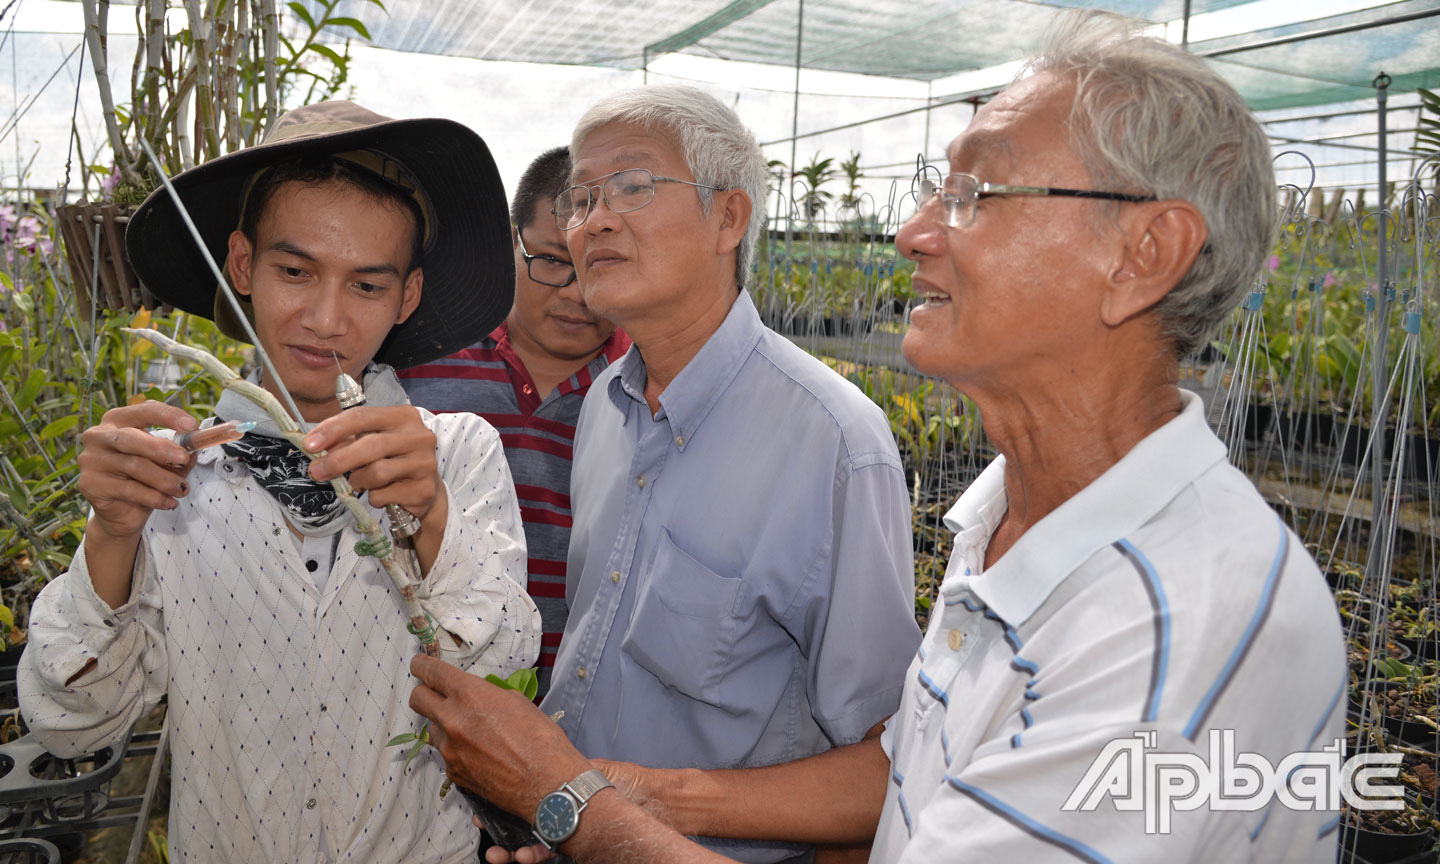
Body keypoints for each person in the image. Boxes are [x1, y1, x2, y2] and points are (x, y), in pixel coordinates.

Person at [407, 12, 1347, 864]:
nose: (912, 233)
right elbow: (902, 775)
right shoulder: (1004, 532)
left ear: (1143, 256)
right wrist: (625, 794)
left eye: (976, 193)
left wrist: (566, 795)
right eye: (582, 198)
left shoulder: (1173, 624)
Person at [19, 101, 541, 864]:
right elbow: (73, 725)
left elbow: (500, 682)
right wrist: (112, 532)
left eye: (367, 286)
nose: (325, 318)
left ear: (408, 295)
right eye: (295, 271)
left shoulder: (457, 456)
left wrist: (430, 519)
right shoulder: (175, 477)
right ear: (241, 265)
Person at [458, 84, 920, 864]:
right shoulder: (608, 403)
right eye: (581, 198)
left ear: (728, 218)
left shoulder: (834, 443)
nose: (593, 220)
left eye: (633, 187)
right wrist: (567, 811)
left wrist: (638, 801)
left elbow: (887, 766)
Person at [399, 145, 630, 700]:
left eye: (598, 267)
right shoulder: (417, 360)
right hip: (421, 688)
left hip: (575, 706)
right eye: (551, 261)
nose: (577, 294)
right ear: (511, 242)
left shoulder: (638, 389)